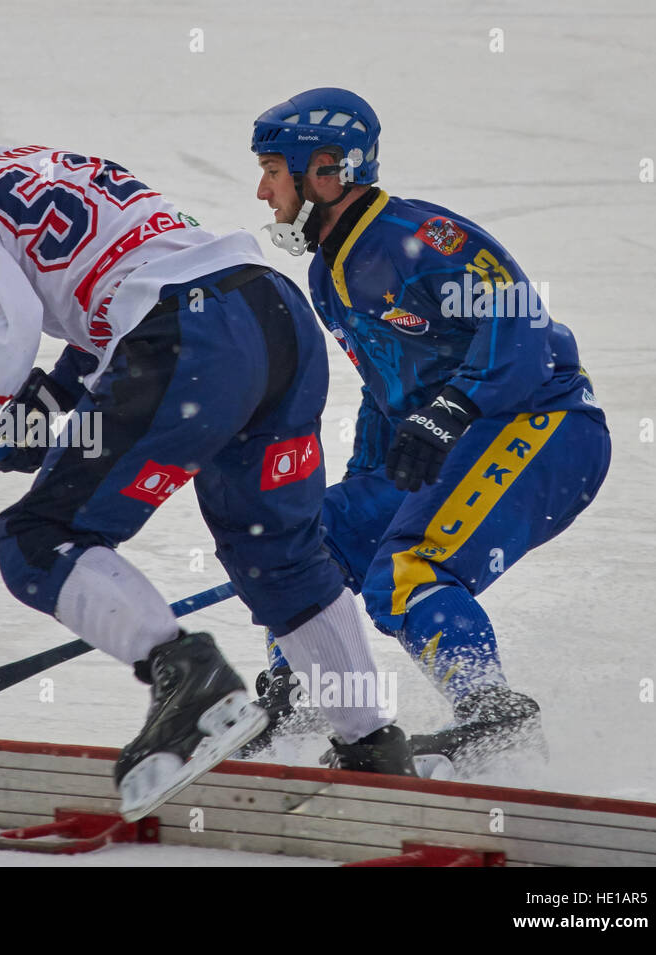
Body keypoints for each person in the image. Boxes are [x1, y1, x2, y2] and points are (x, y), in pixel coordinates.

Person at [0, 57, 415, 818]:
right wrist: (58, 391)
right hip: (273, 318)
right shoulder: (57, 161)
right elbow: (128, 275)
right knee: (280, 556)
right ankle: (372, 746)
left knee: (38, 538)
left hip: (194, 341)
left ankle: (188, 679)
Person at [246, 88, 611, 772]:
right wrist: (362, 488)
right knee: (305, 540)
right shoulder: (329, 274)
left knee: (407, 569)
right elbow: (387, 390)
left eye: (273, 170)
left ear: (325, 170)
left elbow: (521, 326)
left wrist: (451, 412)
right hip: (458, 439)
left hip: (544, 425)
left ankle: (494, 721)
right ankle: (301, 696)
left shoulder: (419, 238)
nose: (263, 191)